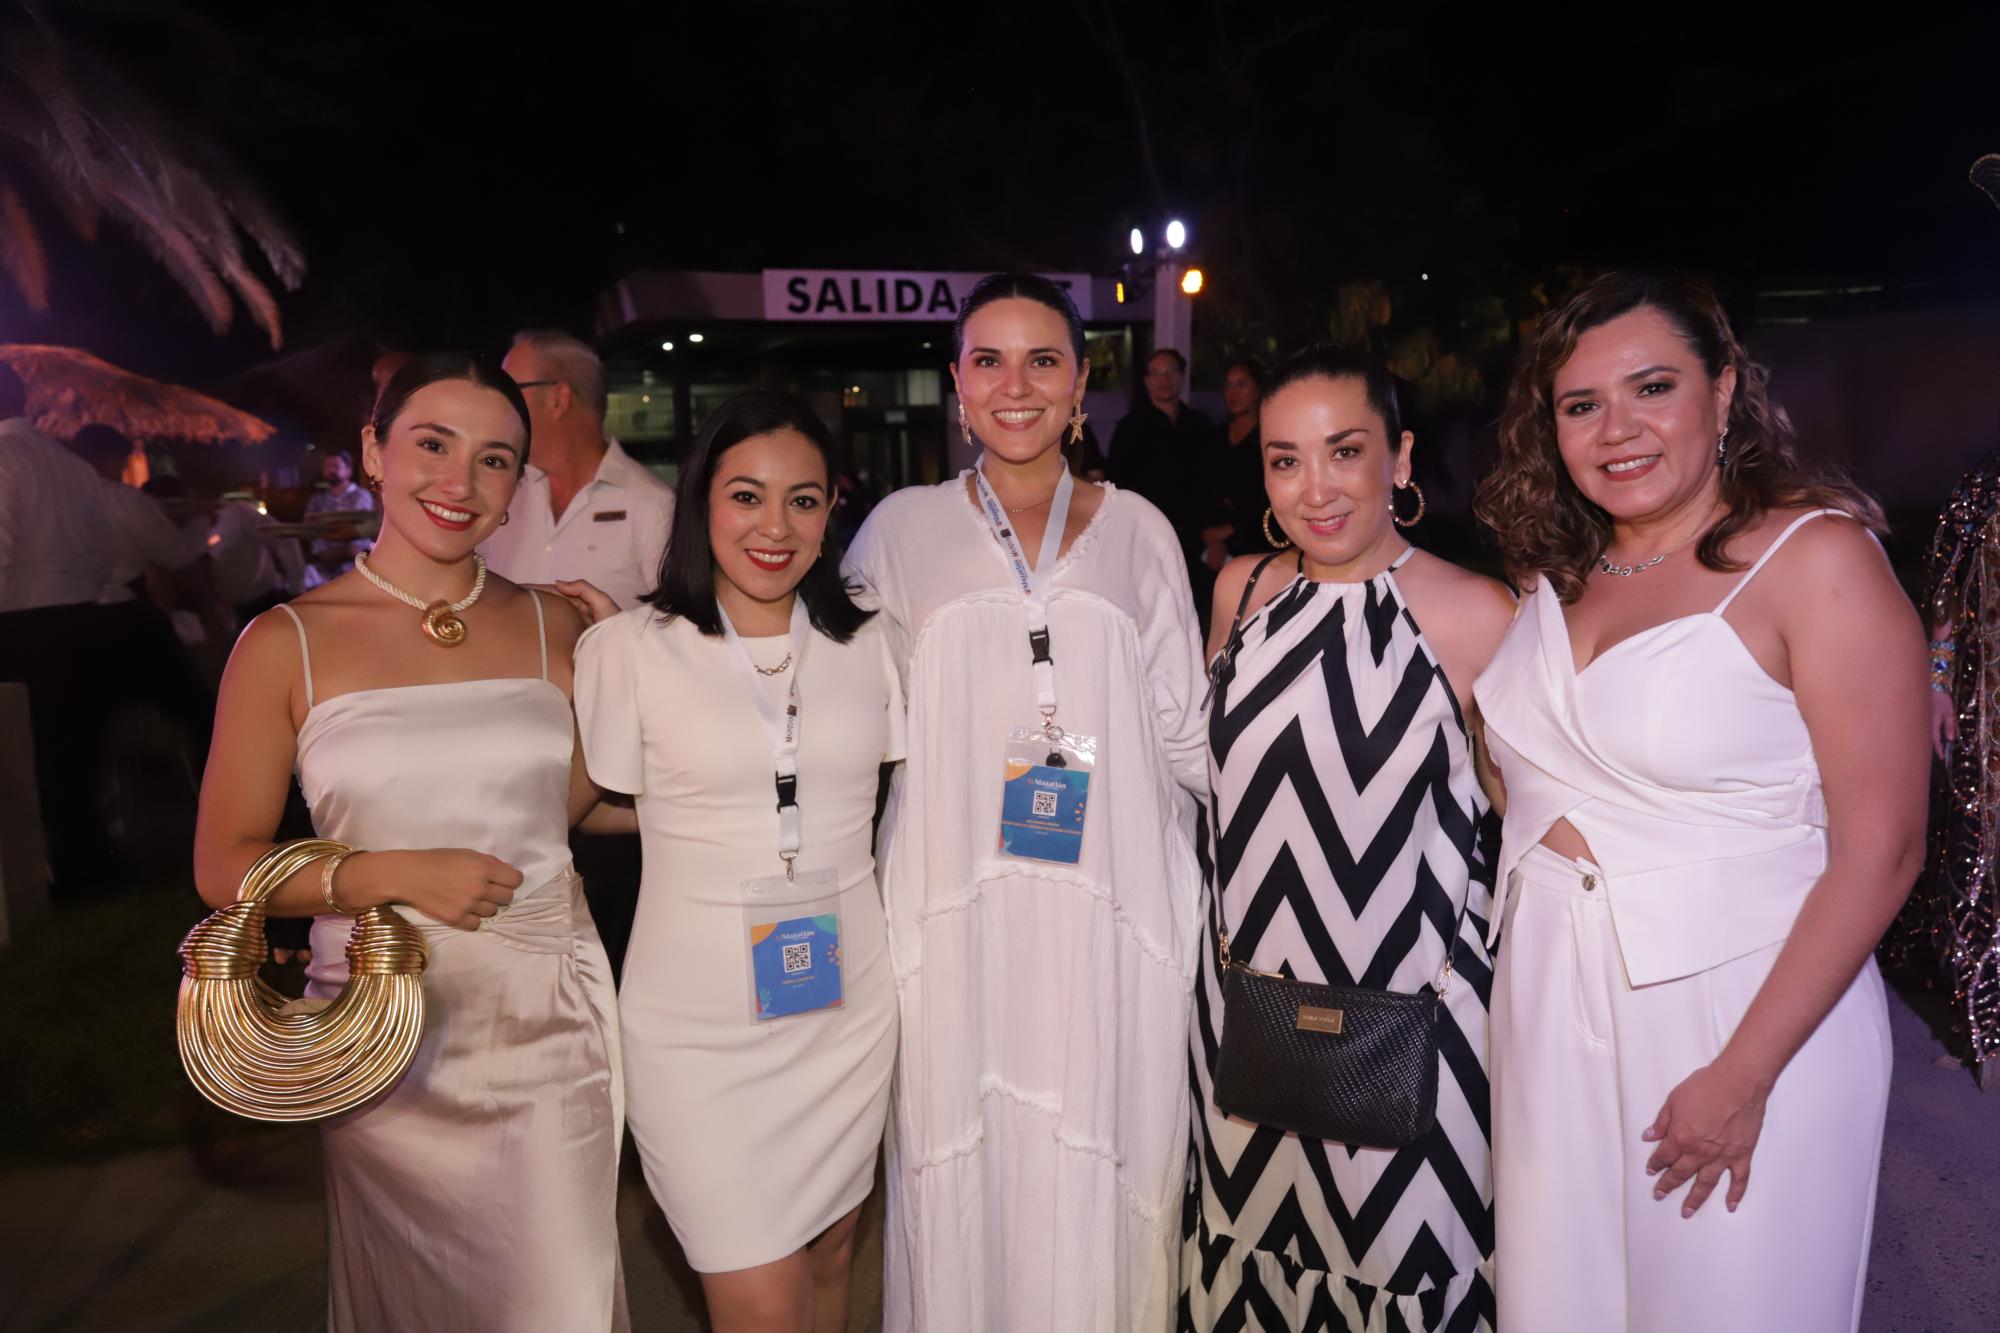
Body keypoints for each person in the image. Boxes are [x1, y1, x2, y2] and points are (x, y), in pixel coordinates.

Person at [1471, 271, 1926, 1332]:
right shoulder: (1555, 575)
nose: (1615, 429)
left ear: (1722, 393)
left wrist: (1742, 1073)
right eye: (1580, 405)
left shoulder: (1811, 559)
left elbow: (1883, 846)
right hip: (1546, 1012)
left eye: (1651, 387)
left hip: (1737, 1017)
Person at [191, 351, 627, 1332]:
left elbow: (557, 813)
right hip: (387, 1034)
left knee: (557, 1301)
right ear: (373, 452)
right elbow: (223, 863)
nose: (460, 482)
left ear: (519, 483)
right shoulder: (284, 642)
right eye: (432, 444)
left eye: (494, 460)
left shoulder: (559, 624)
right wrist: (390, 876)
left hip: (545, 1018)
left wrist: (627, 686)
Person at [844, 273, 1207, 1331]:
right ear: (955, 383)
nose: (1015, 385)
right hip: (958, 910)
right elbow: (835, 710)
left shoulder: (1139, 529)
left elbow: (1184, 723)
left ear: (1080, 381)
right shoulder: (897, 531)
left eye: (1041, 359)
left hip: (1108, 904)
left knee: (1103, 1153)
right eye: (988, 360)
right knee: (961, 1152)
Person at [1183, 347, 1510, 1330]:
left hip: (1414, 1025)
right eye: (1285, 460)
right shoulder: (1237, 594)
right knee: (1254, 1267)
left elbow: (1515, 826)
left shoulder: (1470, 613)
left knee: (1396, 1267)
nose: (1314, 488)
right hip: (1243, 1018)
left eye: (1344, 451)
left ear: (1398, 460)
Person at [573, 389, 899, 1333]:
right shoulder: (626, 649)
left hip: (846, 1004)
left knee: (833, 1260)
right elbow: (594, 804)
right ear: (699, 501)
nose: (775, 525)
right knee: (757, 1296)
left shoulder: (873, 642)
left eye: (804, 499)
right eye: (746, 495)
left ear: (832, 508)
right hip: (697, 1029)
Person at [0, 393, 212, 889]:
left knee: (38, 761)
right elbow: (98, 552)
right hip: (81, 619)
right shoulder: (71, 465)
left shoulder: (6, 458)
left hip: (24, 625)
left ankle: (57, 879)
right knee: (71, 761)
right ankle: (87, 870)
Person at [1892, 446, 2000, 1087]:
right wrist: (1936, 685)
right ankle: (1989, 1033)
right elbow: (1947, 599)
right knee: (1979, 861)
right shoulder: (1984, 486)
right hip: (1989, 715)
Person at [483, 328, 676, 611]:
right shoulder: (500, 492)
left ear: (558, 399)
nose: (500, 405)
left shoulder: (654, 505)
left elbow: (680, 634)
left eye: (511, 390)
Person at [1199, 357, 1268, 568]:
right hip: (1211, 543)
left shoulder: (1270, 437)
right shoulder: (1214, 436)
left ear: (1258, 389)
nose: (1233, 393)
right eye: (1228, 385)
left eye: (1241, 384)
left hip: (1257, 540)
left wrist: (1232, 528)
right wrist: (1210, 534)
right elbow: (1202, 488)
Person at [302, 449, 375, 585]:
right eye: (327, 467)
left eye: (335, 466)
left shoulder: (361, 496)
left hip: (356, 561)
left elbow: (367, 526)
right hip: (323, 563)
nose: (330, 470)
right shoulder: (317, 499)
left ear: (349, 470)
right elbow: (308, 528)